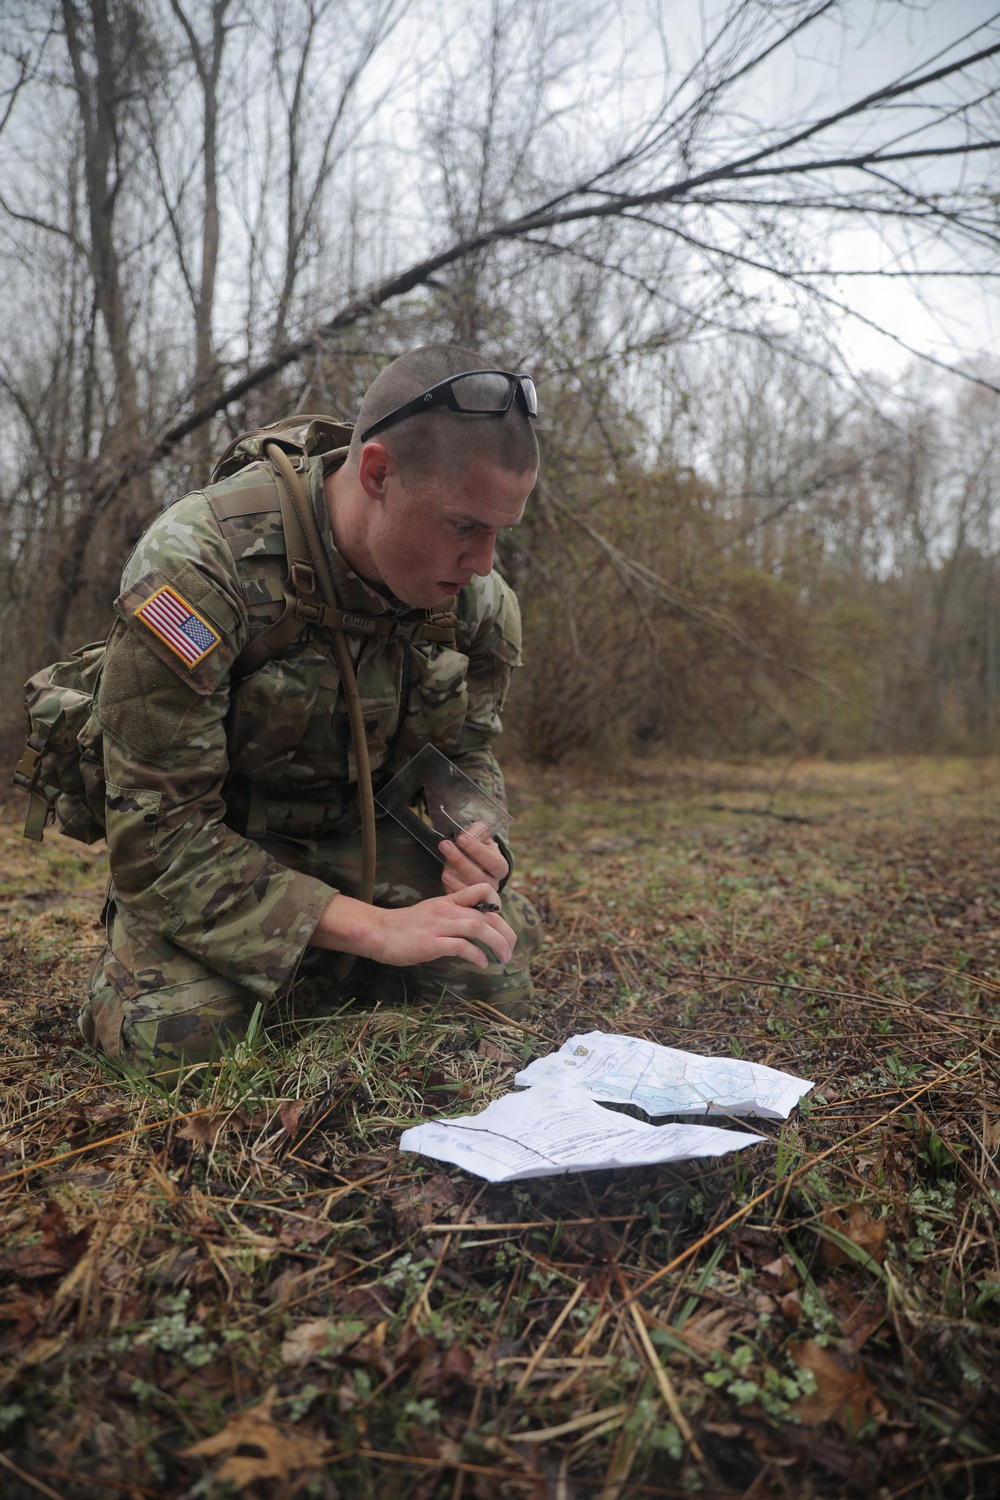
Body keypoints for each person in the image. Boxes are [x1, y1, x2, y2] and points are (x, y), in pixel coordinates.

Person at [78, 344, 543, 1077]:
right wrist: (375, 932)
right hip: (225, 853)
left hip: (362, 840)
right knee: (176, 1040)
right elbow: (156, 835)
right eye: (463, 527)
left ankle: (334, 966)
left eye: (498, 532)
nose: (484, 562)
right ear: (378, 473)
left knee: (493, 982)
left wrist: (479, 834)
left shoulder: (476, 604)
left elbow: (466, 752)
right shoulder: (202, 565)